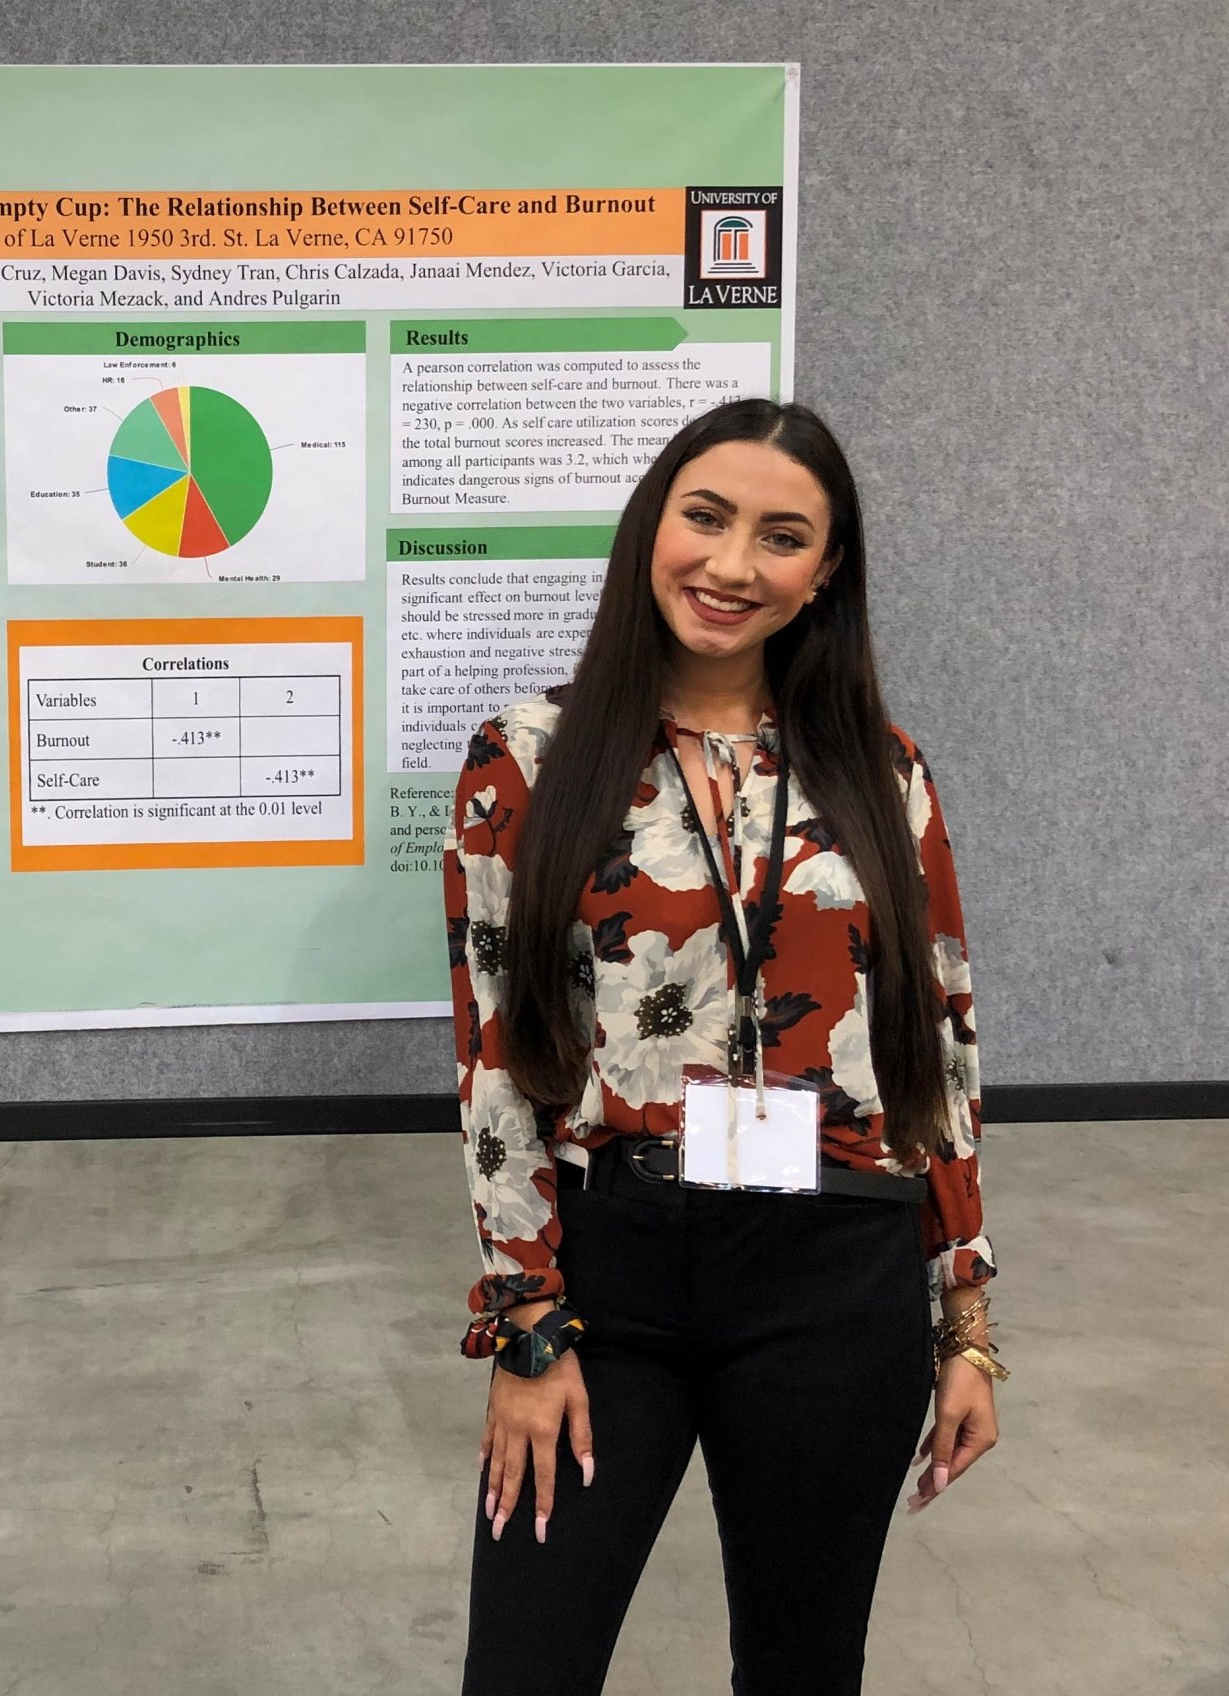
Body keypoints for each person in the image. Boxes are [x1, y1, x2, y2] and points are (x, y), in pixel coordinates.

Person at [442, 398, 1003, 1696]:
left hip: (834, 1267)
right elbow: (493, 1053)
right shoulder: (528, 757)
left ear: (825, 575)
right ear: (653, 529)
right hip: (614, 1272)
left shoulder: (884, 770)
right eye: (706, 517)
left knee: (802, 1672)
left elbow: (938, 1053)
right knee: (524, 1667)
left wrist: (963, 1316)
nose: (733, 563)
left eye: (782, 536)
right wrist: (527, 1320)